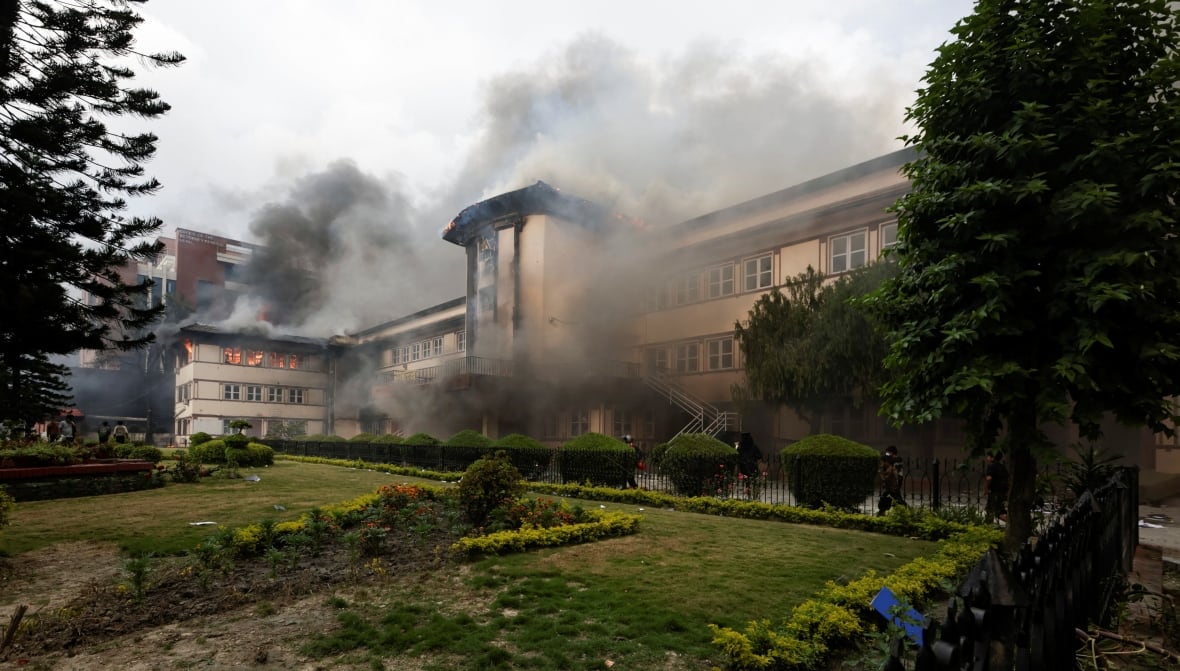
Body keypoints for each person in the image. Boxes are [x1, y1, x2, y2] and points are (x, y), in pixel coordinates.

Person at [877, 445, 906, 515]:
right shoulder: (890, 460)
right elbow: (882, 470)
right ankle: (882, 510)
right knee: (890, 497)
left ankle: (903, 509)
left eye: (888, 452)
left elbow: (897, 473)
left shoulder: (897, 460)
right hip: (890, 482)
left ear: (892, 452)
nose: (887, 454)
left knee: (893, 497)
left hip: (895, 482)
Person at [984, 450, 1009, 524]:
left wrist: (986, 488)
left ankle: (1013, 524)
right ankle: (987, 526)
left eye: (988, 456)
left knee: (997, 512)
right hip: (1002, 492)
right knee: (990, 510)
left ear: (992, 458)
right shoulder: (1002, 467)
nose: (987, 458)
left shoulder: (991, 466)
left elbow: (989, 478)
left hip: (995, 492)